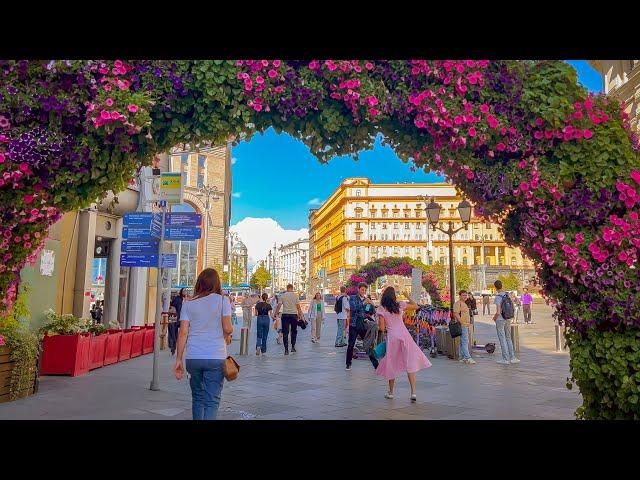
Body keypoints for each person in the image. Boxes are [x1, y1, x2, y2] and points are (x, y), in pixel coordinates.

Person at [174, 268, 233, 420]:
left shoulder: (188, 303)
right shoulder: (222, 300)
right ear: (217, 283)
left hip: (193, 357)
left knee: (198, 398)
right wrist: (227, 334)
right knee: (211, 401)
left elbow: (183, 332)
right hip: (215, 356)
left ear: (199, 283)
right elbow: (227, 328)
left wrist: (178, 359)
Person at [376, 286, 431, 402]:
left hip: (392, 337)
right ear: (394, 296)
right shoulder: (400, 305)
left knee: (391, 363)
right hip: (405, 335)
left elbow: (381, 328)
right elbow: (416, 306)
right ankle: (413, 393)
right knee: (410, 362)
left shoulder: (381, 309)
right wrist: (407, 296)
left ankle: (390, 392)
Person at [345, 282, 378, 371]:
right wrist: (364, 302)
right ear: (358, 289)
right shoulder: (352, 298)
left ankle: (376, 365)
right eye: (362, 290)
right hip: (353, 324)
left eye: (365, 290)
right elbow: (354, 308)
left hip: (362, 325)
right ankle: (348, 364)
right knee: (351, 344)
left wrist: (371, 304)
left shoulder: (365, 299)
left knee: (367, 344)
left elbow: (371, 312)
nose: (363, 291)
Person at [493, 280, 519, 365]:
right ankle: (513, 357)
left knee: (502, 338)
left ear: (495, 287)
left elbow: (498, 311)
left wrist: (494, 318)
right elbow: (513, 308)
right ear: (502, 285)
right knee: (508, 337)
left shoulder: (498, 297)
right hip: (508, 318)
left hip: (500, 319)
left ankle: (505, 359)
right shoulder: (507, 295)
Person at [273, 284, 304, 355]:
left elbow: (279, 306)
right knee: (294, 331)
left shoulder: (283, 295)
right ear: (292, 288)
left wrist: (275, 313)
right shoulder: (295, 296)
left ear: (287, 288)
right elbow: (298, 307)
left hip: (285, 315)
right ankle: (293, 347)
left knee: (285, 332)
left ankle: (286, 350)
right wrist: (301, 315)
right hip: (293, 315)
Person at [453, 290, 476, 364]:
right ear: (459, 296)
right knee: (465, 341)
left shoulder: (464, 303)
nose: (465, 296)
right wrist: (461, 322)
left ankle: (462, 357)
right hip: (463, 325)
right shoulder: (458, 303)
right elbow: (455, 313)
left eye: (466, 295)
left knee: (463, 341)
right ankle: (467, 357)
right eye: (463, 295)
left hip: (466, 324)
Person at [168, 288, 186, 355]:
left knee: (175, 332)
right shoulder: (178, 299)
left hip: (179, 318)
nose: (185, 292)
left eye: (186, 291)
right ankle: (172, 346)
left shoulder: (184, 300)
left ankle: (173, 346)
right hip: (174, 317)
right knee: (172, 331)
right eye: (184, 291)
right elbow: (172, 307)